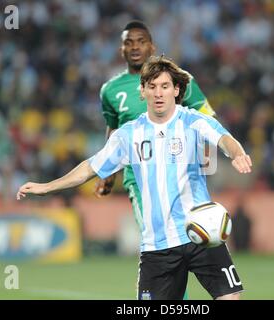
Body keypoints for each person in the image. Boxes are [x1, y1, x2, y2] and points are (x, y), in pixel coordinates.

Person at [17, 56, 252, 300]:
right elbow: (90, 167)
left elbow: (224, 139)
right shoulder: (129, 134)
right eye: (152, 87)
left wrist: (238, 154)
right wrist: (47, 187)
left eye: (164, 86)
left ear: (176, 90)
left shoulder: (193, 121)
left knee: (231, 298)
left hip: (201, 233)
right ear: (142, 91)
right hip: (157, 246)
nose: (158, 93)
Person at [95, 20, 215, 299]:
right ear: (121, 48)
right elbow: (114, 133)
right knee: (161, 238)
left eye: (141, 41)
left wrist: (204, 160)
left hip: (181, 177)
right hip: (140, 180)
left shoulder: (180, 79)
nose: (135, 47)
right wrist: (107, 173)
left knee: (190, 241)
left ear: (152, 46)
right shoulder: (110, 91)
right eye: (129, 41)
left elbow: (206, 117)